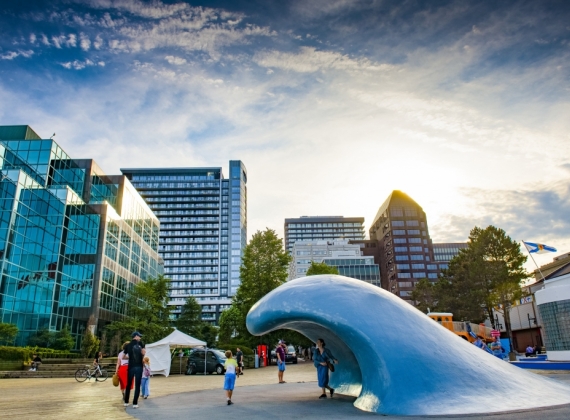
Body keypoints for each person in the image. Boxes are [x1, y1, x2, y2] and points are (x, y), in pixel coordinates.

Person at [123, 331, 146, 408]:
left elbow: (123, 356)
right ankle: (135, 403)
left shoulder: (128, 345)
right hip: (139, 366)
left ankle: (126, 401)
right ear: (136, 336)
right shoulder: (141, 344)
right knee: (137, 385)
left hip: (131, 366)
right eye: (139, 336)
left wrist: (130, 357)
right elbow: (143, 353)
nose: (140, 338)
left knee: (128, 384)